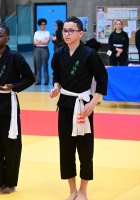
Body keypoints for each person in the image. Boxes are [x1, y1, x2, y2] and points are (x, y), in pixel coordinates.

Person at [50, 16, 108, 200]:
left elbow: (102, 79)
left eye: (70, 31)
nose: (66, 34)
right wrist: (56, 88)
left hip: (84, 106)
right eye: (64, 30)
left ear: (80, 33)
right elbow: (57, 75)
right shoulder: (59, 53)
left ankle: (83, 191)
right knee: (66, 148)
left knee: (84, 149)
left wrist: (94, 101)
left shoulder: (90, 54)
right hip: (66, 104)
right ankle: (72, 190)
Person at [0, 24, 35, 195]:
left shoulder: (15, 56)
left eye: (0, 35)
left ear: (7, 38)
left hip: (9, 105)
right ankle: (0, 182)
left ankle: (10, 183)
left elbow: (29, 77)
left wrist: (14, 86)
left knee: (11, 146)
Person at [33, 18, 50, 85]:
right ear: (40, 25)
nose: (44, 26)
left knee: (45, 65)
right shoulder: (36, 33)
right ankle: (38, 80)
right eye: (43, 24)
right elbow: (34, 42)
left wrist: (39, 41)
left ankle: (46, 80)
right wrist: (42, 41)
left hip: (44, 49)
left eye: (45, 24)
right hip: (37, 49)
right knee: (38, 66)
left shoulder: (47, 32)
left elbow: (46, 42)